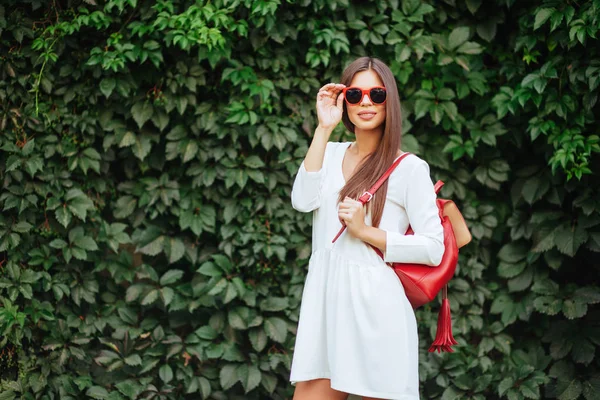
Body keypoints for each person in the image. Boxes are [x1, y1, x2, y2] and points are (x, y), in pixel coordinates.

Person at [289, 57, 445, 400]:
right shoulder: (328, 152)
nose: (365, 103)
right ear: (344, 101)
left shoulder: (409, 168)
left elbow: (434, 248)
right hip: (326, 309)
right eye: (355, 94)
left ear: (390, 100)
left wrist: (365, 232)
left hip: (376, 311)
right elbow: (302, 200)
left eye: (376, 94)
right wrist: (323, 127)